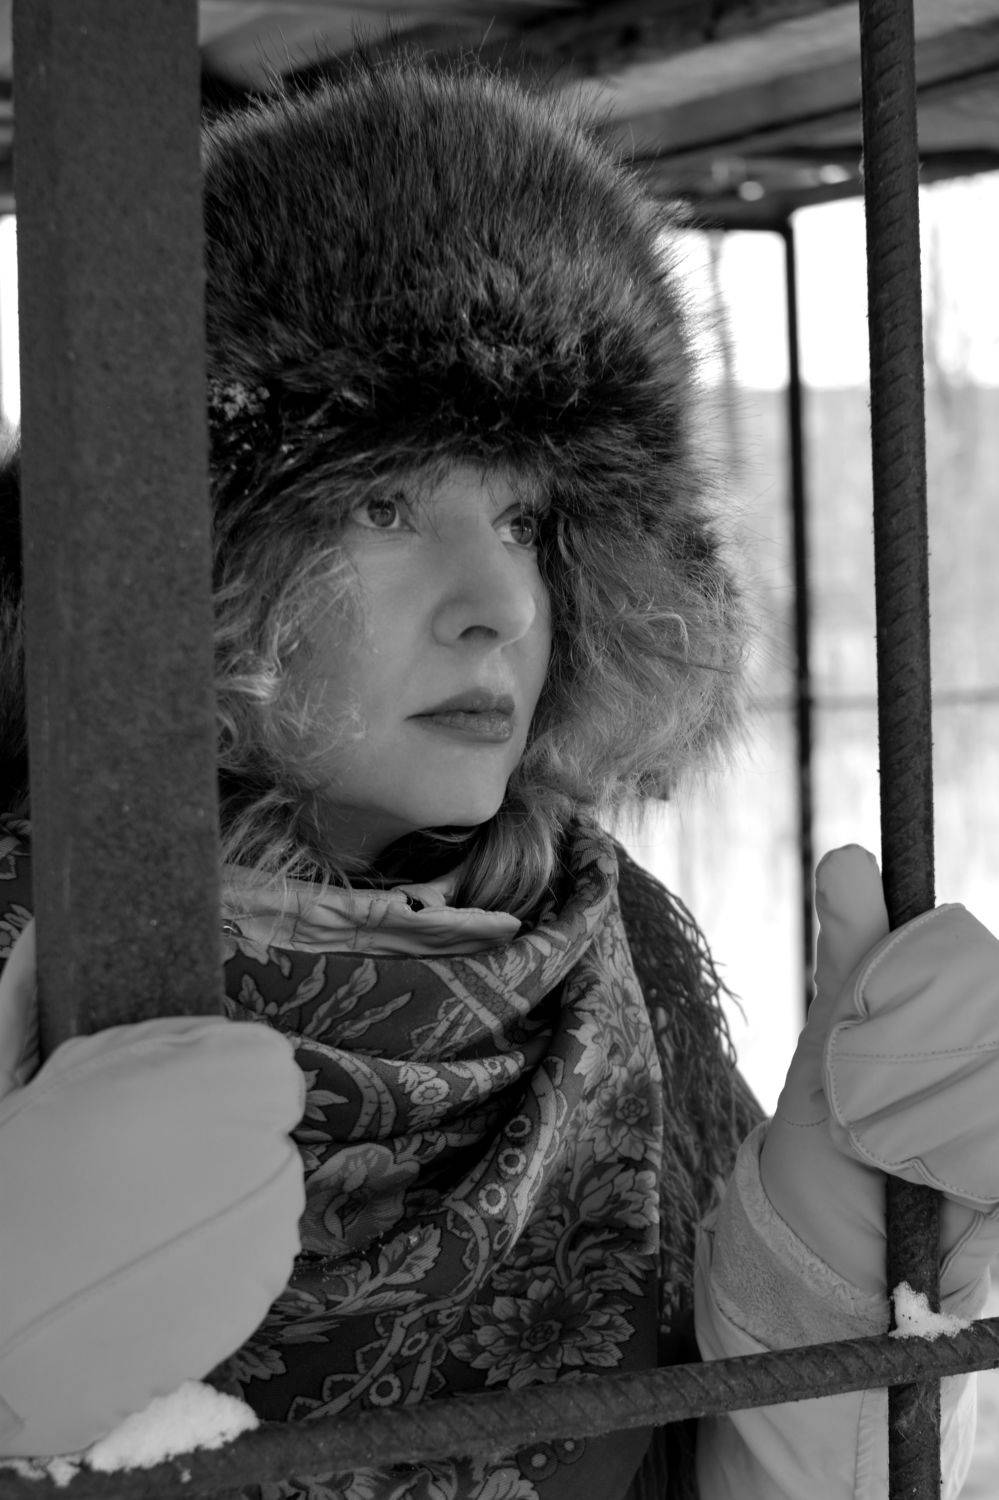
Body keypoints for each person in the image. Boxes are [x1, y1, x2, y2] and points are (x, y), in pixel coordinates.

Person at [0, 53, 996, 1500]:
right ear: (202, 556)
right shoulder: (32, 949)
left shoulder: (608, 968)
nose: (500, 607)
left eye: (527, 520)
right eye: (386, 503)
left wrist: (830, 1262)